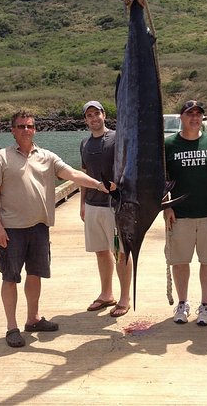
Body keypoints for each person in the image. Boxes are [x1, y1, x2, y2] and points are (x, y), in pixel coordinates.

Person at [0, 109, 115, 348]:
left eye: (30, 126)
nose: (26, 130)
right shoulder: (0, 158)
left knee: (35, 274)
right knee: (10, 277)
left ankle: (33, 319)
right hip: (12, 228)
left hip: (39, 227)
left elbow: (73, 174)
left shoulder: (46, 157)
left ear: (35, 129)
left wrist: (99, 185)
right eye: (21, 126)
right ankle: (11, 327)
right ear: (13, 130)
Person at [164, 100, 207, 325]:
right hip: (180, 215)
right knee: (180, 262)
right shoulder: (168, 145)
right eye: (190, 114)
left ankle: (206, 305)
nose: (194, 118)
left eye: (199, 114)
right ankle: (182, 303)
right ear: (181, 117)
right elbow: (161, 179)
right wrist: (166, 205)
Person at [80, 101, 132, 317]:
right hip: (92, 205)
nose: (94, 118)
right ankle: (106, 294)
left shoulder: (117, 138)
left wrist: (120, 187)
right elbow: (83, 174)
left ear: (104, 115)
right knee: (101, 252)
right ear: (85, 120)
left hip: (115, 206)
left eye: (97, 114)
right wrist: (82, 203)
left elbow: (129, 168)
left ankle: (125, 297)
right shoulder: (84, 144)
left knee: (121, 253)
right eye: (89, 115)